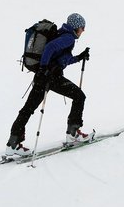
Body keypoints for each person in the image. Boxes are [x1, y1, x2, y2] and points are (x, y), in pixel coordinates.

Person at [6, 13, 90, 156]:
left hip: (42, 77)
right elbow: (50, 47)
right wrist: (44, 68)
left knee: (28, 108)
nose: (83, 31)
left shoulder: (62, 35)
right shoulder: (68, 38)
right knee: (79, 96)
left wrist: (78, 57)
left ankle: (13, 143)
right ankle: (73, 134)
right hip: (51, 77)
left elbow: (62, 59)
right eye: (82, 27)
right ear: (76, 27)